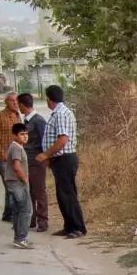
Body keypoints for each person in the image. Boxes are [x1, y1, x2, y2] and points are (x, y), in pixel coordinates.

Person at [36, 85, 86, 238]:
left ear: (49, 98)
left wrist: (46, 154)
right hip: (58, 159)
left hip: (65, 158)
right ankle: (69, 226)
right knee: (62, 195)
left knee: (68, 194)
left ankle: (78, 227)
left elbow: (63, 139)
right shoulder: (57, 113)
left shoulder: (61, 114)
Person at [0, 93, 24, 223]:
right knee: (10, 184)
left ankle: (8, 213)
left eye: (17, 101)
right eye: (12, 101)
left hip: (15, 157)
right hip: (1, 156)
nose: (15, 103)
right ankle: (10, 213)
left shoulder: (18, 116)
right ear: (6, 102)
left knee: (11, 184)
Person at [17, 93, 49, 232]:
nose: (18, 108)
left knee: (39, 191)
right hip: (27, 161)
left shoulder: (38, 121)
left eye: (19, 105)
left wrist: (44, 158)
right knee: (28, 191)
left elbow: (45, 141)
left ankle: (43, 222)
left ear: (23, 105)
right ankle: (31, 219)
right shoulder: (26, 121)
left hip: (36, 161)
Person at [3, 123, 35, 249]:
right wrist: (25, 179)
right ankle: (21, 238)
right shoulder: (16, 148)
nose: (25, 137)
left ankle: (18, 238)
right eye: (22, 134)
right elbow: (17, 166)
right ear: (14, 136)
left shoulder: (16, 147)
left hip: (12, 182)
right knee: (26, 209)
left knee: (17, 210)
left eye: (26, 134)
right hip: (17, 182)